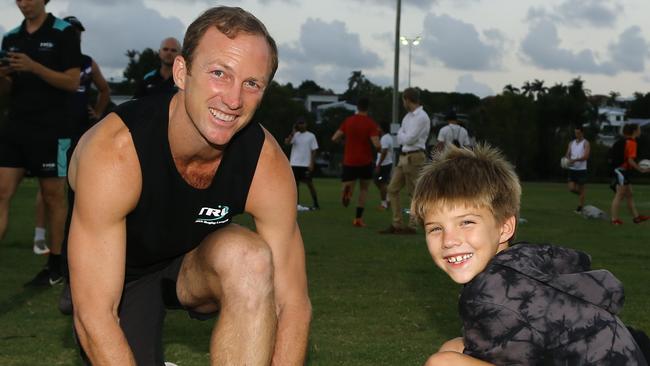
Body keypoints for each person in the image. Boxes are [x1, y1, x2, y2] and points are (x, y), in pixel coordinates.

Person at [67, 6, 310, 365]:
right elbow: (95, 316)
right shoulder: (117, 151)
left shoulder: (265, 164)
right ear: (182, 72)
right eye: (219, 73)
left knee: (250, 260)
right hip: (118, 273)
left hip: (191, 264)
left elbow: (292, 304)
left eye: (251, 83)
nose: (233, 99)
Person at [411, 144, 648, 366]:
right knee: (452, 347)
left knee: (442, 363)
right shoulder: (521, 261)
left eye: (466, 222)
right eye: (436, 228)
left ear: (505, 228)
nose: (449, 240)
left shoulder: (491, 291)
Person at [0, 0, 81, 286]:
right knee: (2, 192)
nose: (23, 2)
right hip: (16, 127)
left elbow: (72, 82)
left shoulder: (63, 33)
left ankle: (55, 265)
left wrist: (34, 66)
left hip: (52, 129)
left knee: (53, 196)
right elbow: (7, 89)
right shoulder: (10, 37)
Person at [31, 15, 111, 258]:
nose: (75, 35)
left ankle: (73, 235)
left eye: (78, 32)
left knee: (80, 183)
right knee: (51, 184)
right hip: (54, 129)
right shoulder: (52, 61)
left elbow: (105, 89)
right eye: (72, 31)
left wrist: (96, 113)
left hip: (80, 131)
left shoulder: (87, 62)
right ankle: (40, 238)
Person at [379, 87, 429, 234]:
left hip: (415, 156)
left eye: (403, 100)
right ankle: (397, 224)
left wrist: (403, 136)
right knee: (392, 189)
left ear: (407, 99)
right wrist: (403, 136)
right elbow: (402, 136)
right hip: (404, 156)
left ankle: (412, 226)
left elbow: (409, 137)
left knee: (413, 193)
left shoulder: (422, 117)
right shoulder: (408, 117)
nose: (403, 103)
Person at [331, 96, 380, 227]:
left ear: (357, 107)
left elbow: (335, 138)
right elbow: (376, 144)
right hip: (365, 161)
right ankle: (358, 218)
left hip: (349, 160)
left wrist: (345, 143)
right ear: (367, 108)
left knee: (348, 183)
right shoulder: (370, 123)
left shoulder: (348, 121)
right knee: (364, 189)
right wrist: (380, 147)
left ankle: (346, 192)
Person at [610, 123, 649, 226]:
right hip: (621, 170)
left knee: (629, 194)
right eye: (639, 129)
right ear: (635, 131)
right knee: (620, 194)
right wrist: (640, 169)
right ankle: (614, 220)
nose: (640, 131)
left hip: (621, 170)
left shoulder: (623, 141)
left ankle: (636, 218)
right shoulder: (631, 142)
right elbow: (630, 160)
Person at [284, 117, 320, 210]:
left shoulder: (311, 136)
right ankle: (296, 204)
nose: (301, 125)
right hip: (294, 163)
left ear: (306, 124)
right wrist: (293, 132)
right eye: (299, 123)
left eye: (302, 123)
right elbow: (287, 142)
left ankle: (316, 203)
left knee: (309, 184)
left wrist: (312, 163)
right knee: (295, 185)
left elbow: (314, 150)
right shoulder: (295, 135)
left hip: (305, 164)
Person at [564, 125, 590, 213]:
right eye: (575, 133)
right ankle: (582, 195)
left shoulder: (586, 143)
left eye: (578, 133)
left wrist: (575, 160)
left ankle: (580, 207)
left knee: (581, 188)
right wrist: (566, 160)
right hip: (572, 169)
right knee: (571, 188)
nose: (576, 134)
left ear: (582, 133)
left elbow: (586, 156)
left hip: (581, 169)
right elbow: (567, 154)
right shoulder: (571, 143)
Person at [374, 123, 393, 210]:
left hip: (384, 165)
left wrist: (378, 165)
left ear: (382, 128)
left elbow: (384, 152)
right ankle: (388, 198)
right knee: (378, 182)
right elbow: (382, 151)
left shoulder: (385, 138)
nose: (377, 129)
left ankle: (384, 204)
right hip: (384, 164)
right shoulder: (386, 137)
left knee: (382, 183)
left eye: (378, 127)